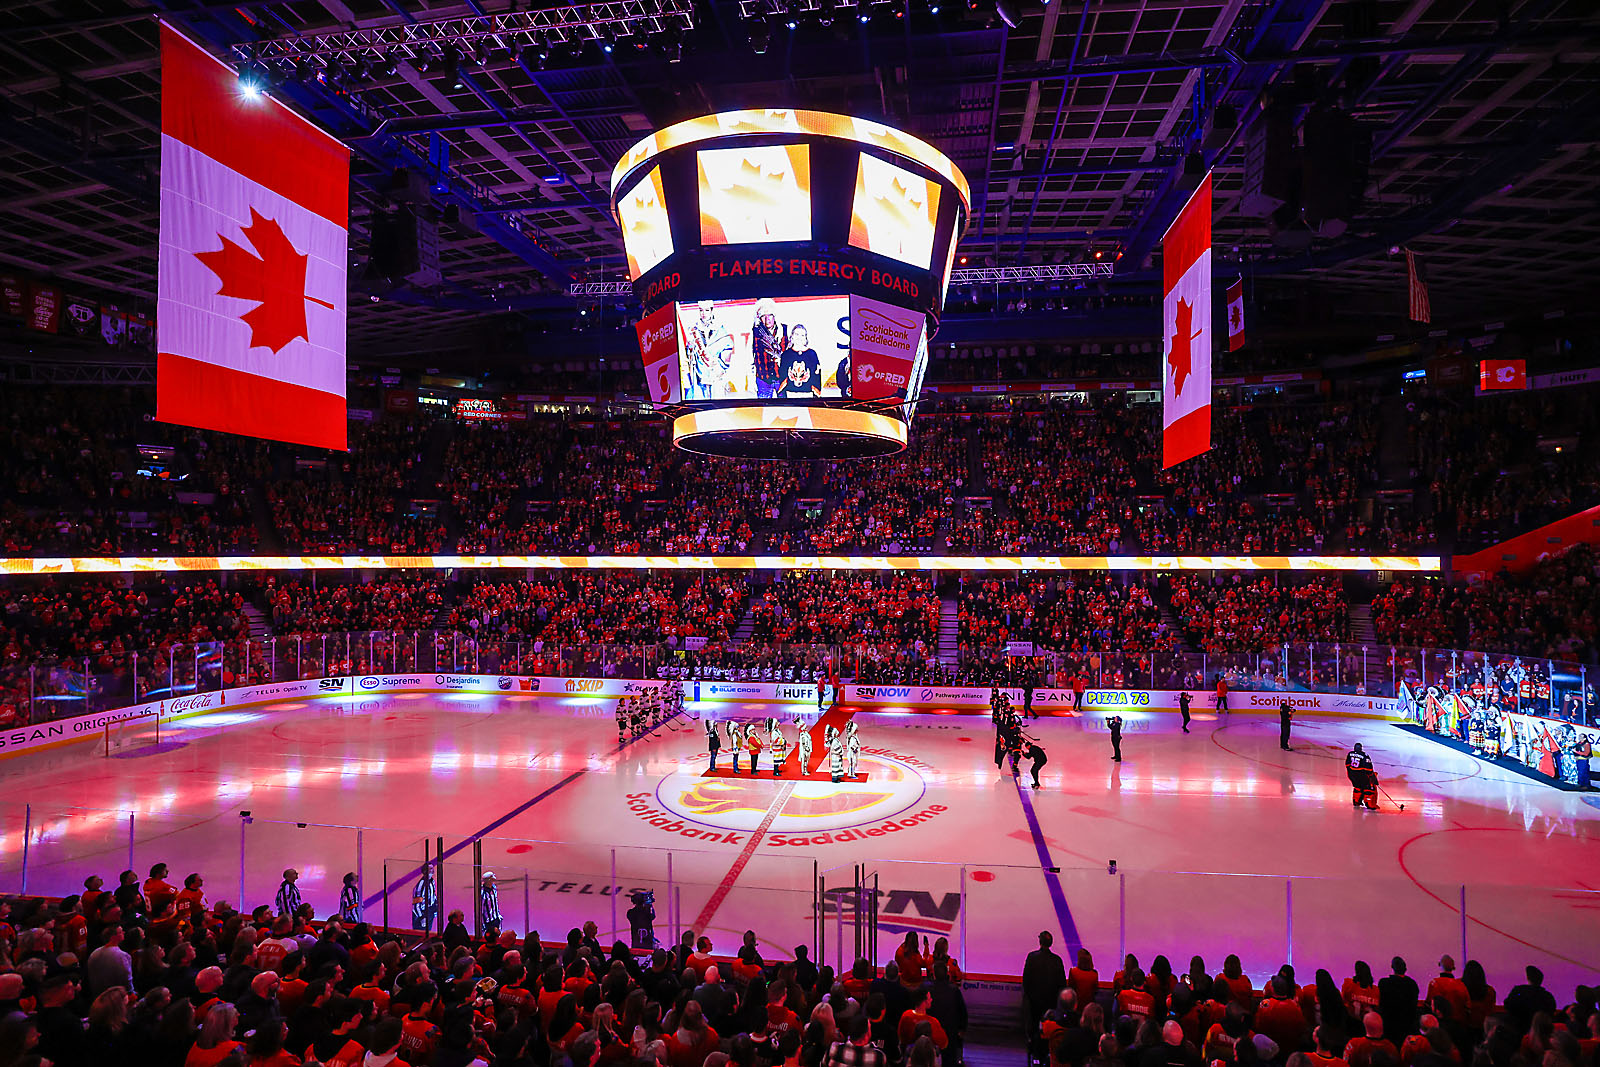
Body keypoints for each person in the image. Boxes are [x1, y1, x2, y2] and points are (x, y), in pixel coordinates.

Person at [1023, 931, 1067, 1034]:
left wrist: (1029, 995)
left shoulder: (1032, 957)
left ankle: (1034, 1041)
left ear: (1040, 941)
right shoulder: (1056, 960)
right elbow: (1062, 983)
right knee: (1048, 1025)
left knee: (1034, 1024)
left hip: (1035, 1000)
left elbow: (1026, 979)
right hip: (1050, 1000)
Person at [1377, 958, 1419, 1042]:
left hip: (1389, 1026)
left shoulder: (1384, 983)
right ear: (1405, 968)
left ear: (1392, 967)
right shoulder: (1412, 984)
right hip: (1407, 1026)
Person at [752, 299, 786, 399]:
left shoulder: (784, 330)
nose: (767, 319)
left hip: (782, 378)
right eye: (763, 316)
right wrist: (751, 380)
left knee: (786, 406)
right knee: (764, 407)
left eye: (770, 315)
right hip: (763, 380)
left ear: (774, 316)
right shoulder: (754, 333)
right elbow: (749, 358)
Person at [777, 326, 822, 398]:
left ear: (805, 338)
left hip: (808, 395)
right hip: (790, 394)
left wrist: (816, 394)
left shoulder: (812, 353)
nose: (799, 337)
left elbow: (816, 376)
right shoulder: (786, 354)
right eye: (797, 334)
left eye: (802, 335)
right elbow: (783, 376)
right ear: (792, 336)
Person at [1347, 744, 1378, 810]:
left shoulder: (1350, 754)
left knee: (1357, 787)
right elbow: (1368, 767)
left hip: (1352, 774)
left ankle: (1356, 801)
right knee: (1367, 788)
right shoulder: (1364, 755)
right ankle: (1369, 804)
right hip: (1362, 775)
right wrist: (1371, 775)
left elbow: (1347, 764)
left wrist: (1351, 771)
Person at [412, 866, 438, 932]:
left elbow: (433, 896)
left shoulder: (432, 881)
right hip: (423, 914)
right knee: (421, 933)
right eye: (430, 868)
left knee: (428, 932)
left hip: (429, 912)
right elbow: (416, 903)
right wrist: (421, 917)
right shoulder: (421, 884)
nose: (432, 869)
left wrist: (435, 909)